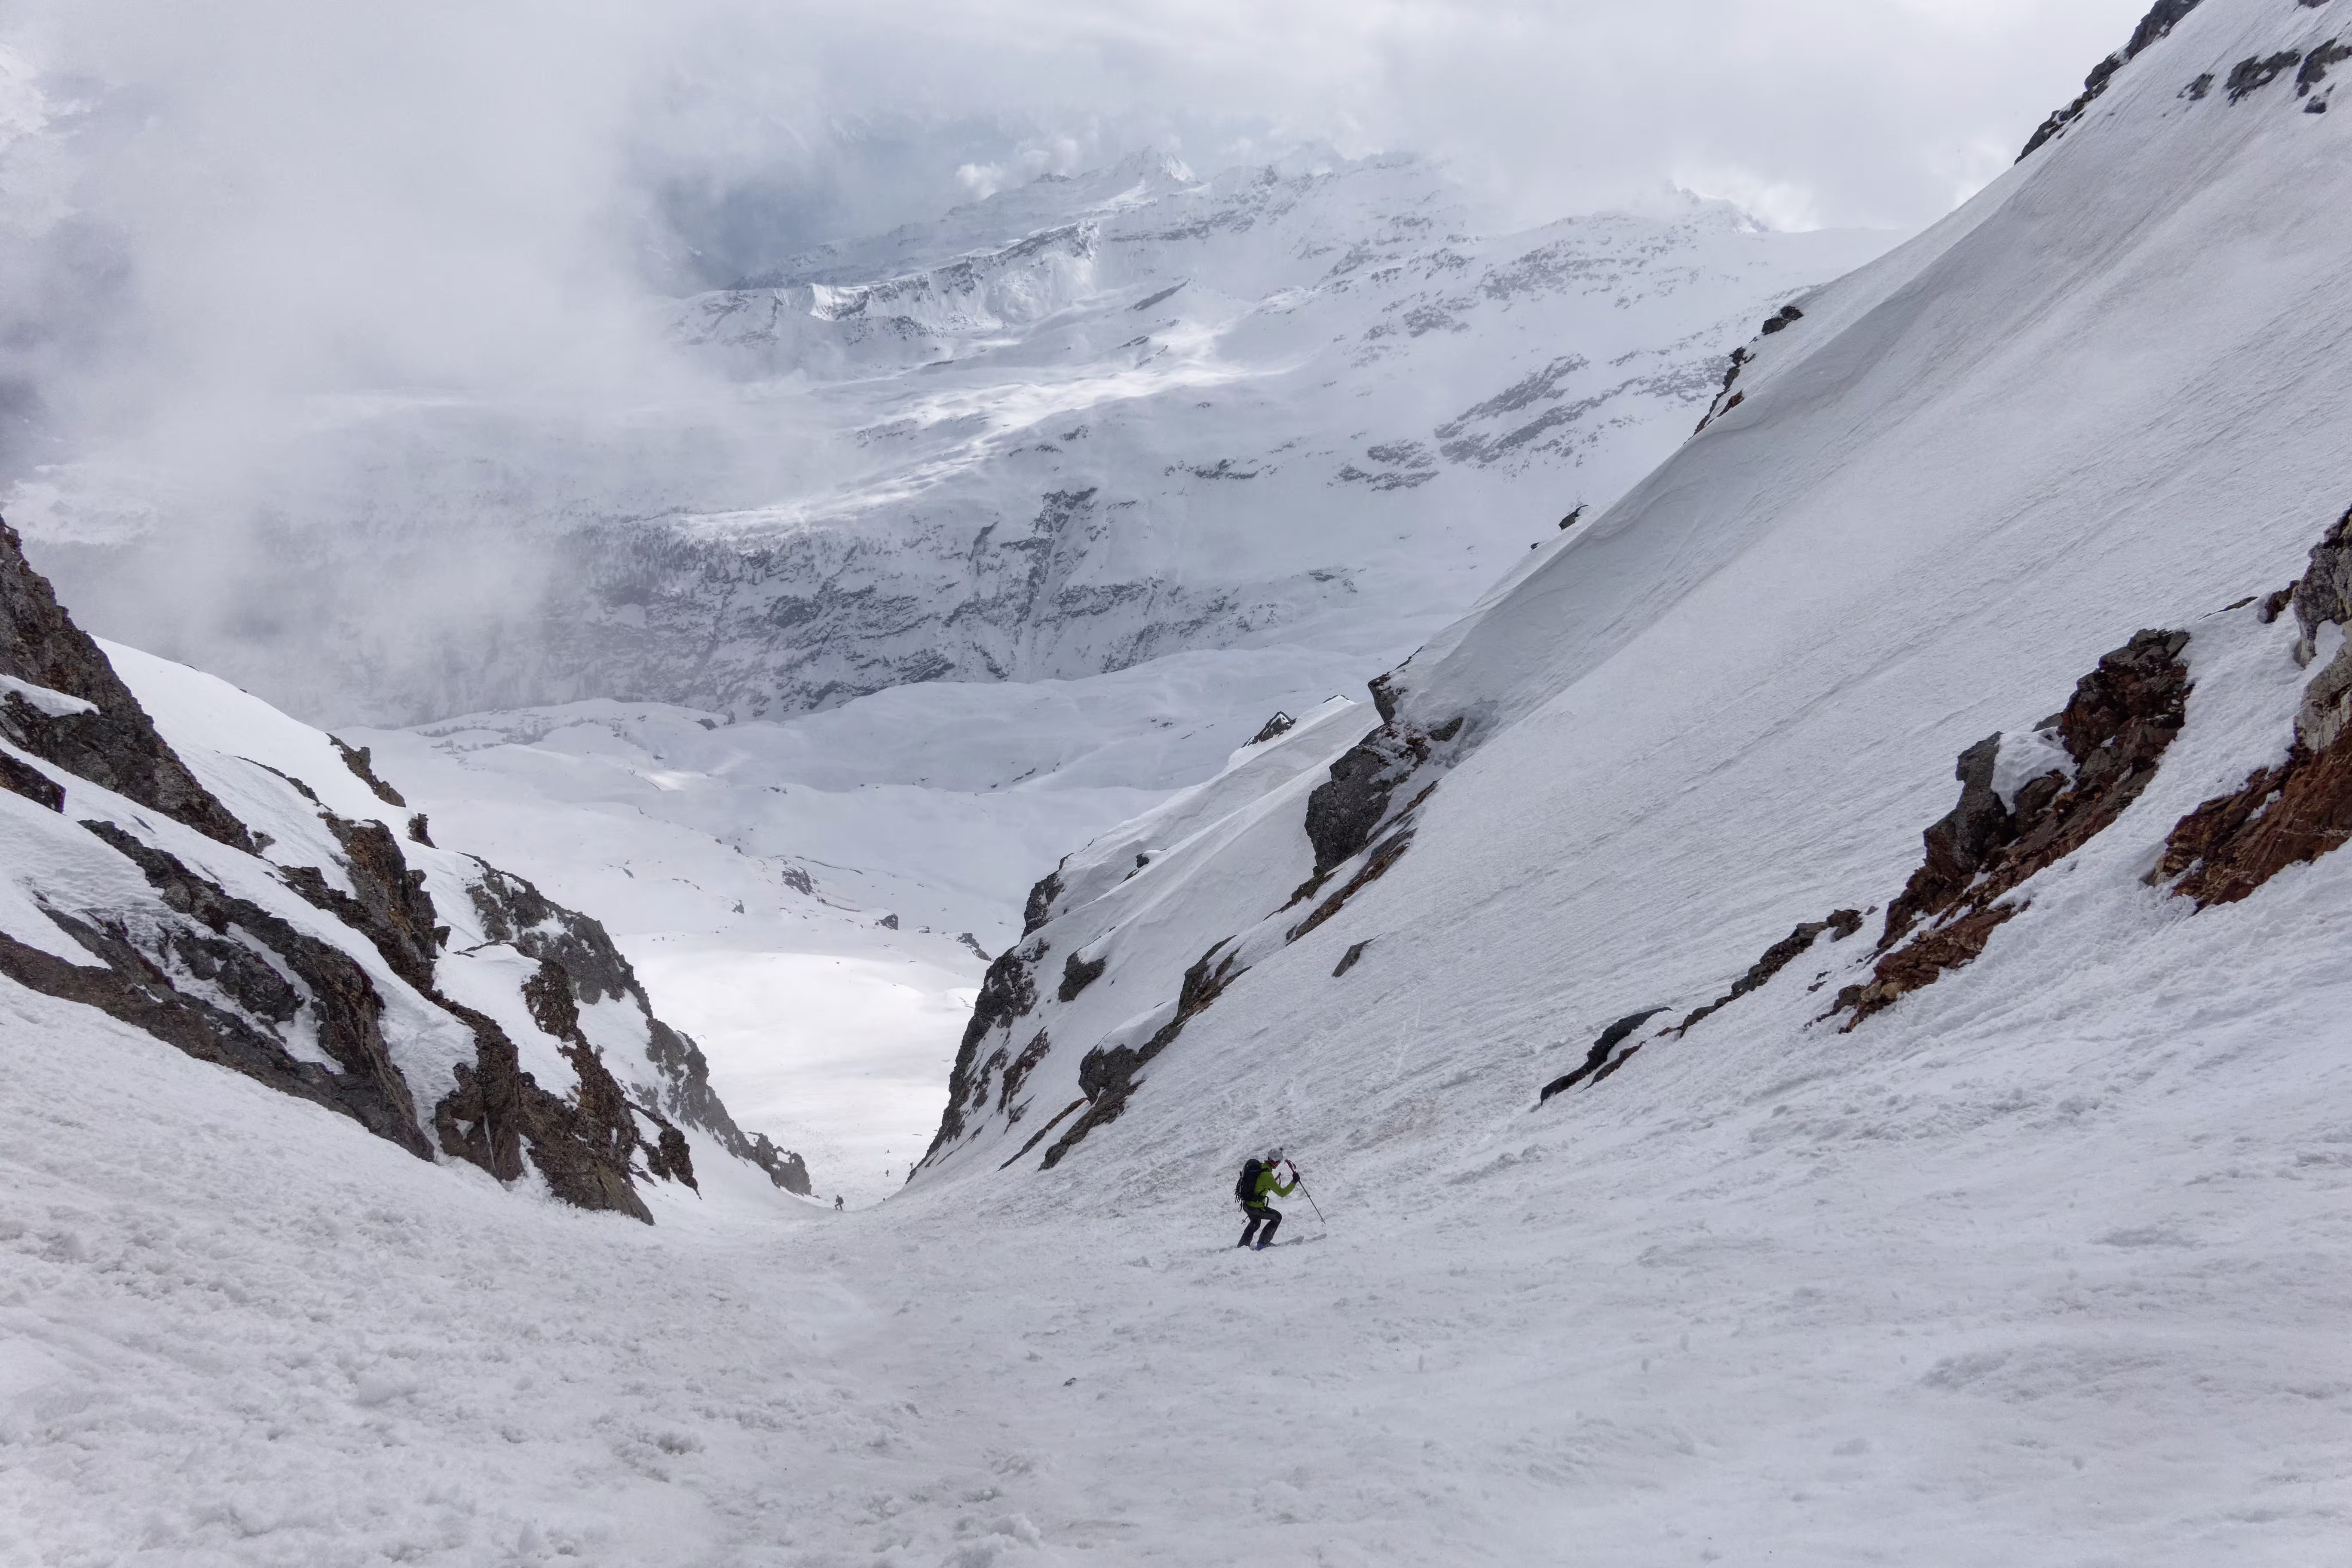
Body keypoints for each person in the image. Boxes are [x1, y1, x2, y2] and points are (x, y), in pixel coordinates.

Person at [1236, 1147, 1298, 1250]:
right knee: (1277, 1217)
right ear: (1276, 1163)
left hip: (1247, 1205)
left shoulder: (1260, 1168)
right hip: (1255, 1208)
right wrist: (1294, 1182)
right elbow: (1282, 1193)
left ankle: (1242, 1246)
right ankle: (1263, 1244)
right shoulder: (1267, 1175)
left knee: (1255, 1223)